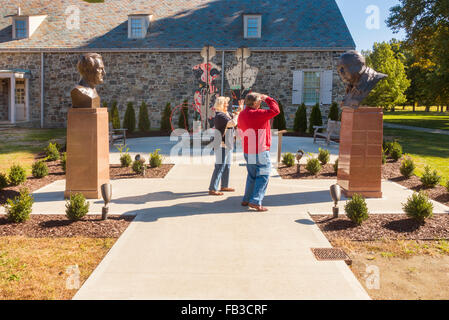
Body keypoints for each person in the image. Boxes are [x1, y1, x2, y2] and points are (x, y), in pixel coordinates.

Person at [237, 93, 280, 211]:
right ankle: (256, 201)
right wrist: (267, 98)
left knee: (252, 175)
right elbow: (276, 110)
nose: (261, 103)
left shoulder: (241, 114)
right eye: (259, 101)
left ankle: (247, 199)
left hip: (248, 150)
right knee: (264, 175)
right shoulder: (258, 114)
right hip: (260, 150)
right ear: (255, 103)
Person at [208, 97, 243, 196]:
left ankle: (224, 185)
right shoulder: (219, 115)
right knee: (219, 166)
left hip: (228, 144)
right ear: (220, 104)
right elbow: (232, 123)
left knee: (227, 166)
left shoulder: (226, 114)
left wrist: (239, 109)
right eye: (225, 104)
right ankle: (212, 188)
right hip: (221, 145)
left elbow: (235, 117)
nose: (227, 105)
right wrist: (238, 113)